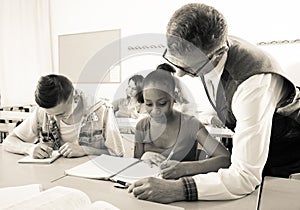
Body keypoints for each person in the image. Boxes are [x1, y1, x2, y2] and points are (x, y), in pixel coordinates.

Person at [129, 3, 300, 203]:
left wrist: (178, 189)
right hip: (261, 159)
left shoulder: (253, 84)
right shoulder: (206, 52)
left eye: (190, 68)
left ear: (217, 55)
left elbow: (244, 176)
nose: (181, 74)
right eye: (175, 61)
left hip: (291, 161)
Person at [134, 64, 230, 180]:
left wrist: (185, 168)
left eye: (162, 103)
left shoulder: (191, 125)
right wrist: (143, 158)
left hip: (182, 189)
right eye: (148, 104)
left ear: (174, 96)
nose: (155, 111)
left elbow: (225, 159)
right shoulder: (142, 126)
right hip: (150, 189)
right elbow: (134, 167)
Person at [3, 74, 124, 158]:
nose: (56, 119)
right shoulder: (43, 111)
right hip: (53, 176)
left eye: (62, 114)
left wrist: (84, 150)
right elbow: (8, 141)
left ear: (75, 98)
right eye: (51, 114)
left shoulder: (101, 110)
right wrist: (28, 148)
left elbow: (117, 154)